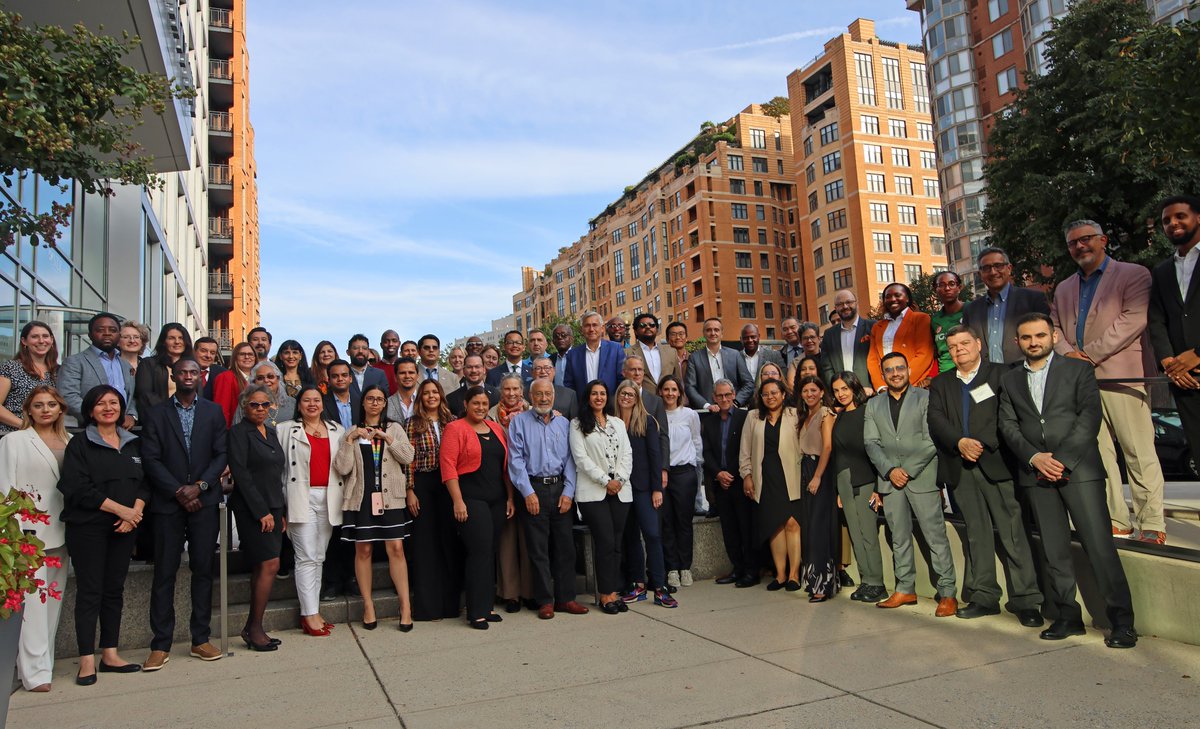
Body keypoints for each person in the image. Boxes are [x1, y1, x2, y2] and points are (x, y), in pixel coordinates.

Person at [998, 313, 1137, 648]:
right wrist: (1034, 458)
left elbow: (1088, 417)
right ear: (1018, 341)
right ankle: (1067, 616)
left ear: (1054, 336)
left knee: (1099, 547)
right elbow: (1007, 424)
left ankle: (1121, 622)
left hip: (1080, 473)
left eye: (1040, 336)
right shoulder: (1010, 378)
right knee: (1054, 549)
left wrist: (1060, 460)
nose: (1034, 342)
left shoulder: (1078, 370)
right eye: (1027, 337)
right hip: (1036, 475)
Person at [1053, 222, 1167, 543]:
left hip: (1122, 376)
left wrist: (1087, 354)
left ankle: (1152, 522)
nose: (1080, 246)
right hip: (1081, 383)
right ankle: (1117, 517)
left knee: (1137, 451)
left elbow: (1133, 319)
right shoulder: (1063, 288)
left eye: (1086, 239)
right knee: (1100, 454)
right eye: (1073, 242)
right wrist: (1068, 354)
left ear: (1103, 240)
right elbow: (1054, 327)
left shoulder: (1134, 274)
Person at [928, 326, 1044, 625]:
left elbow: (1008, 415)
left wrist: (979, 442)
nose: (959, 349)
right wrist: (959, 442)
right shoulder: (941, 383)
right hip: (960, 466)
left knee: (1012, 532)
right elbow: (936, 419)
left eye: (965, 343)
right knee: (976, 536)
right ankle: (984, 596)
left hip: (997, 463)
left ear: (979, 344)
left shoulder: (1002, 374)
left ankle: (1026, 599)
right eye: (953, 346)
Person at [140, 358, 228, 670]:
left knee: (203, 570)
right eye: (182, 372)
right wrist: (179, 491)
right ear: (174, 376)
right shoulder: (156, 413)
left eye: (193, 372)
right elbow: (150, 459)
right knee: (165, 571)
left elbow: (221, 454)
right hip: (168, 504)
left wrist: (200, 487)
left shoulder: (213, 411)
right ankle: (160, 643)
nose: (188, 376)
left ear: (198, 377)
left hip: (204, 502)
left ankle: (200, 639)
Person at [57, 385, 148, 684]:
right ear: (90, 410)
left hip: (125, 529)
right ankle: (86, 661)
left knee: (114, 591)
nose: (108, 408)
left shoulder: (133, 443)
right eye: (100, 403)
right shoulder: (80, 444)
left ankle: (110, 653)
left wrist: (134, 513)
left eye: (113, 402)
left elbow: (144, 483)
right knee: (89, 592)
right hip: (89, 529)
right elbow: (78, 487)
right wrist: (121, 511)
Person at [863, 352, 957, 615]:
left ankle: (948, 593)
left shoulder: (926, 398)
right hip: (890, 482)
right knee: (899, 537)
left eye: (900, 368)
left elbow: (931, 440)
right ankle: (905, 588)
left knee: (935, 536)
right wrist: (890, 470)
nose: (895, 373)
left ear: (908, 370)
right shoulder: (874, 404)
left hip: (922, 478)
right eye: (889, 369)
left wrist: (907, 470)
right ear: (883, 375)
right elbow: (871, 442)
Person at [0, 386, 69, 691]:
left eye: (51, 404)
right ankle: (34, 673)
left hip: (63, 530)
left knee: (52, 602)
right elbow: (4, 487)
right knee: (32, 604)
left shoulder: (70, 441)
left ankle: (45, 664)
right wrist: (8, 532)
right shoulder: (12, 441)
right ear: (27, 410)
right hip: (26, 533)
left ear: (60, 409)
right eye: (38, 405)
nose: (45, 410)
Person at [334, 384, 416, 631]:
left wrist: (386, 438)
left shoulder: (395, 428)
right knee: (364, 551)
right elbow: (343, 468)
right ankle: (368, 606)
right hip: (362, 498)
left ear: (384, 403)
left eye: (380, 399)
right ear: (363, 403)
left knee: (396, 549)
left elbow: (407, 457)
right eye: (370, 398)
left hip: (391, 497)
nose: (375, 403)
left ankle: (405, 607)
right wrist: (350, 440)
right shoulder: (352, 431)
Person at [507, 378, 589, 618]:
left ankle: (566, 599)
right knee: (538, 549)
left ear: (554, 395)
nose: (543, 398)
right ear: (530, 397)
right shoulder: (518, 423)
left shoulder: (565, 424)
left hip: (560, 489)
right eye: (539, 394)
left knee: (565, 548)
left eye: (547, 394)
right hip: (533, 490)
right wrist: (527, 492)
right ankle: (545, 601)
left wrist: (568, 492)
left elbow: (572, 461)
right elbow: (516, 460)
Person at [441, 386, 513, 630]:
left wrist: (510, 498)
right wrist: (458, 501)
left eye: (484, 403)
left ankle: (487, 605)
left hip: (497, 499)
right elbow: (448, 466)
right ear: (466, 404)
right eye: (476, 403)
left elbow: (506, 468)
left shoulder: (495, 428)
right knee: (479, 552)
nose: (481, 407)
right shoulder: (455, 428)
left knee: (490, 552)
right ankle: (475, 611)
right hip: (472, 499)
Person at [277, 386, 346, 636]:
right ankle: (309, 615)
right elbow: (278, 470)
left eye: (316, 400)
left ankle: (314, 610)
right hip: (299, 497)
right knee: (305, 556)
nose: (312, 404)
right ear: (299, 405)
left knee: (318, 556)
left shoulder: (337, 429)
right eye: (307, 400)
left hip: (329, 497)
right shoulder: (284, 430)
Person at [1149, 195, 1200, 531]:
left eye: (1180, 216)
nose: (1173, 224)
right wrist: (1169, 361)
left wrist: (1197, 353)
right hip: (1184, 380)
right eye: (1167, 221)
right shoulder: (1163, 270)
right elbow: (1157, 320)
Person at [227, 384, 286, 651]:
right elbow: (241, 474)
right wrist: (262, 512)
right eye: (254, 404)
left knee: (265, 566)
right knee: (269, 564)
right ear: (244, 406)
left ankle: (253, 627)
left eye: (265, 404)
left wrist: (279, 511)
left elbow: (275, 476)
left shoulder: (271, 432)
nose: (260, 409)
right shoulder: (239, 433)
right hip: (253, 509)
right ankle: (255, 627)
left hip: (273, 507)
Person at [569, 380, 633, 614]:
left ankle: (614, 592)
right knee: (605, 542)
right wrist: (606, 481)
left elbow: (627, 454)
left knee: (616, 544)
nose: (599, 397)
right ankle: (605, 595)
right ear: (587, 397)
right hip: (593, 493)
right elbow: (581, 459)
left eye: (603, 393)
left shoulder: (617, 423)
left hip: (621, 491)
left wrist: (620, 480)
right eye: (594, 393)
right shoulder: (577, 425)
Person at [614, 379, 676, 607]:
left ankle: (659, 588)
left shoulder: (647, 421)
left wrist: (656, 489)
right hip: (620, 489)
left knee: (652, 534)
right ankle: (637, 585)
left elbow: (654, 456)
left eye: (631, 394)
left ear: (637, 397)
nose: (627, 397)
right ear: (618, 396)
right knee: (630, 538)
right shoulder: (612, 422)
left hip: (644, 488)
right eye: (623, 393)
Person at [404, 379, 462, 621]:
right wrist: (409, 490)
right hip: (424, 485)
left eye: (434, 392)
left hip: (448, 484)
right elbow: (408, 459)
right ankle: (428, 608)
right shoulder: (412, 423)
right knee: (425, 546)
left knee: (449, 543)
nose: (431, 396)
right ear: (420, 398)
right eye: (426, 393)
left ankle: (450, 606)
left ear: (441, 395)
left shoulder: (453, 421)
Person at [738, 378, 803, 591]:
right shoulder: (753, 417)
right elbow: (745, 450)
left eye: (774, 393)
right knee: (774, 526)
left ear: (783, 394)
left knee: (792, 523)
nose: (770, 397)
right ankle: (781, 574)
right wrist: (746, 475)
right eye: (766, 394)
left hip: (791, 476)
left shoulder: (795, 414)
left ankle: (794, 575)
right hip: (765, 477)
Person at [829, 372, 887, 603]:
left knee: (868, 533)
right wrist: (837, 489)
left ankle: (877, 583)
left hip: (865, 480)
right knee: (856, 533)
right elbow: (838, 454)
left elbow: (876, 449)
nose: (841, 394)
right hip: (844, 481)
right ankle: (867, 581)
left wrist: (878, 487)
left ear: (854, 388)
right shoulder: (840, 417)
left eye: (845, 388)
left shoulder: (868, 412)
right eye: (836, 390)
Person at [701, 379, 755, 588]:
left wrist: (730, 473)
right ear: (714, 397)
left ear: (734, 395)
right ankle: (737, 568)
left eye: (727, 395)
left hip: (740, 481)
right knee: (729, 530)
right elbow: (706, 451)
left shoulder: (745, 417)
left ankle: (751, 570)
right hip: (720, 484)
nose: (723, 399)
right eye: (719, 396)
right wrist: (718, 474)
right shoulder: (709, 421)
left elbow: (746, 447)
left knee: (745, 528)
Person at [489, 373, 534, 612]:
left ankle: (529, 591)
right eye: (507, 389)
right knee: (506, 539)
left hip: (528, 482)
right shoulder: (490, 414)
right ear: (500, 391)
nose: (512, 393)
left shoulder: (534, 411)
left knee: (529, 539)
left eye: (516, 388)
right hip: (499, 481)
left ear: (523, 390)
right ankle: (510, 594)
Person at [962, 246, 1051, 365]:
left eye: (998, 266)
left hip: (1025, 374)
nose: (993, 272)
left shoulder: (1033, 300)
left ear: (1009, 268)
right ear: (980, 274)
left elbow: (1046, 339)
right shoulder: (971, 309)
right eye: (987, 268)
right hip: (986, 378)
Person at [658, 375, 702, 590]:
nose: (670, 393)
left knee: (684, 523)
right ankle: (672, 568)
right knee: (666, 523)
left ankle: (685, 567)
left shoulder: (690, 415)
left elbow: (696, 441)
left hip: (685, 474)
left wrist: (696, 468)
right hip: (663, 475)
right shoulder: (655, 415)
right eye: (666, 389)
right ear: (660, 392)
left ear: (679, 393)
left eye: (674, 389)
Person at [796, 376, 837, 602]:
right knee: (809, 527)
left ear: (822, 392)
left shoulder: (825, 414)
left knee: (819, 529)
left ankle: (824, 584)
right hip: (805, 468)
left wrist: (818, 476)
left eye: (813, 390)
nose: (809, 394)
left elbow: (828, 447)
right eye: (805, 391)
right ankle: (813, 580)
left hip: (819, 469)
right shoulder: (805, 415)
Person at [58, 312, 137, 428]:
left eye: (113, 330)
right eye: (100, 330)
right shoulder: (75, 362)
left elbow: (132, 396)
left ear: (119, 335)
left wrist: (132, 415)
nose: (107, 334)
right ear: (90, 335)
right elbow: (68, 396)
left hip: (124, 431)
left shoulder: (126, 365)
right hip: (90, 430)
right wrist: (102, 416)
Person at [866, 283, 938, 391]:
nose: (893, 299)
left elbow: (924, 354)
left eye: (897, 295)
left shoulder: (921, 319)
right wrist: (881, 387)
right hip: (887, 389)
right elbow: (872, 360)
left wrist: (901, 384)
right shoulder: (877, 327)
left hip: (915, 385)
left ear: (907, 298)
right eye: (888, 297)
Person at [0, 321, 58, 435]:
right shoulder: (11, 367)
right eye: (35, 337)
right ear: (24, 341)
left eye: (45, 336)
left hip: (46, 435)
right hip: (14, 434)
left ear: (51, 340)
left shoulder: (57, 371)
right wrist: (26, 426)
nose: (41, 341)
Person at [685, 318, 754, 411]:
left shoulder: (735, 355)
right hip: (708, 412)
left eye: (716, 330)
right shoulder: (694, 358)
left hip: (733, 410)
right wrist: (706, 405)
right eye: (708, 330)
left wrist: (736, 402)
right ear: (704, 333)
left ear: (722, 333)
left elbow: (748, 383)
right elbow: (690, 387)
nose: (713, 333)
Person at [819, 289, 876, 393]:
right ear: (835, 308)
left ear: (856, 303)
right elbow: (827, 367)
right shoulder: (829, 334)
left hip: (870, 393)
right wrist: (836, 390)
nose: (845, 306)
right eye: (840, 304)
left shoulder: (873, 327)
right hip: (842, 396)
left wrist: (874, 387)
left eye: (849, 302)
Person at [135, 323, 194, 419]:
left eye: (181, 338)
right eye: (171, 338)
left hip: (187, 418)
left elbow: (198, 395)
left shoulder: (193, 366)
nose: (177, 342)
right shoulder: (148, 364)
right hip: (158, 418)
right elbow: (145, 395)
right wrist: (171, 413)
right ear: (164, 341)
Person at [563, 311, 626, 400]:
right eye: (587, 325)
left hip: (610, 407)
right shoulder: (573, 355)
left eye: (595, 325)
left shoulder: (616, 349)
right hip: (583, 409)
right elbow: (569, 384)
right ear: (582, 329)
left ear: (602, 328)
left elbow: (622, 379)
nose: (591, 329)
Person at [233, 360, 295, 426]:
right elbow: (237, 431)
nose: (266, 380)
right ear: (254, 382)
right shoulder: (247, 404)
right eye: (260, 378)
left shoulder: (292, 403)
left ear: (278, 379)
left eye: (270, 376)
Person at [628, 313, 682, 386]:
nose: (648, 327)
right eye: (643, 325)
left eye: (652, 325)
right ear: (635, 331)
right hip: (642, 397)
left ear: (656, 330)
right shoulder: (627, 353)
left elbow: (678, 380)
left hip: (667, 396)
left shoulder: (671, 352)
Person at [930, 271, 967, 375]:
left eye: (951, 284)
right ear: (935, 290)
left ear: (959, 287)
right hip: (945, 375)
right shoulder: (934, 320)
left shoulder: (972, 309)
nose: (947, 288)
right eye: (941, 285)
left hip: (971, 372)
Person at [211, 342, 256, 426]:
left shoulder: (258, 379)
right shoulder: (226, 377)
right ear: (235, 357)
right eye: (242, 354)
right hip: (234, 431)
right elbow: (222, 411)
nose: (247, 357)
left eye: (250, 354)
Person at [346, 334, 389, 398]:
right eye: (356, 348)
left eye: (364, 348)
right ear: (348, 352)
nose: (360, 351)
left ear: (368, 351)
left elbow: (385, 399)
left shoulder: (379, 374)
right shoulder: (343, 374)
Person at [385, 357, 420, 425]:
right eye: (402, 373)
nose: (407, 376)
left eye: (411, 372)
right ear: (395, 377)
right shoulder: (386, 403)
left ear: (417, 376)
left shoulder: (425, 401)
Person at [193, 336, 226, 400]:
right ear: (194, 351)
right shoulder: (183, 371)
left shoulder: (222, 374)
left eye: (212, 353)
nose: (208, 355)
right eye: (203, 351)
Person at [374, 329, 401, 394]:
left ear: (399, 344)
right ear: (381, 345)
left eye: (394, 341)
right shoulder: (374, 369)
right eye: (386, 341)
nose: (390, 344)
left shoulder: (406, 368)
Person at [666, 321, 691, 392]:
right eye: (673, 334)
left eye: (681, 334)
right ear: (667, 339)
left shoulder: (693, 359)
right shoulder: (663, 360)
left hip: (692, 401)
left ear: (686, 338)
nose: (678, 337)